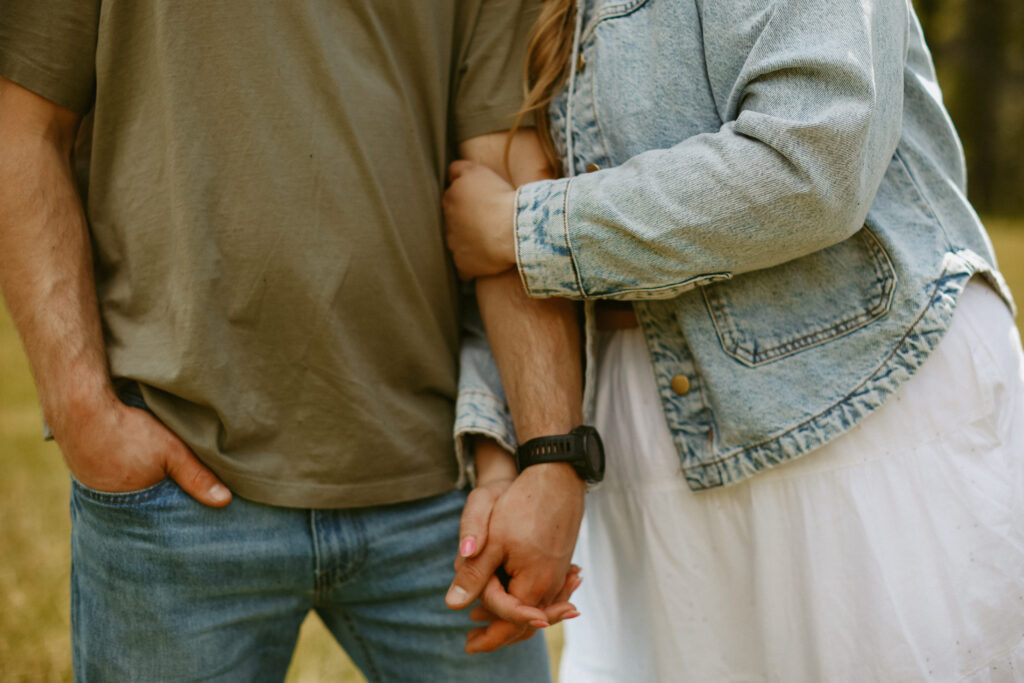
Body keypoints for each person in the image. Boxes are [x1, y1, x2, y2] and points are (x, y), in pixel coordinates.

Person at [0, 1, 583, 679]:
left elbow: (504, 171)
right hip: (175, 478)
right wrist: (81, 410)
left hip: (440, 493)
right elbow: (24, 122)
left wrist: (550, 455)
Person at [443, 0, 1024, 679]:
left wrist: (529, 227)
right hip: (644, 443)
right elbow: (476, 226)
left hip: (855, 402)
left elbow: (813, 160)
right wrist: (512, 453)